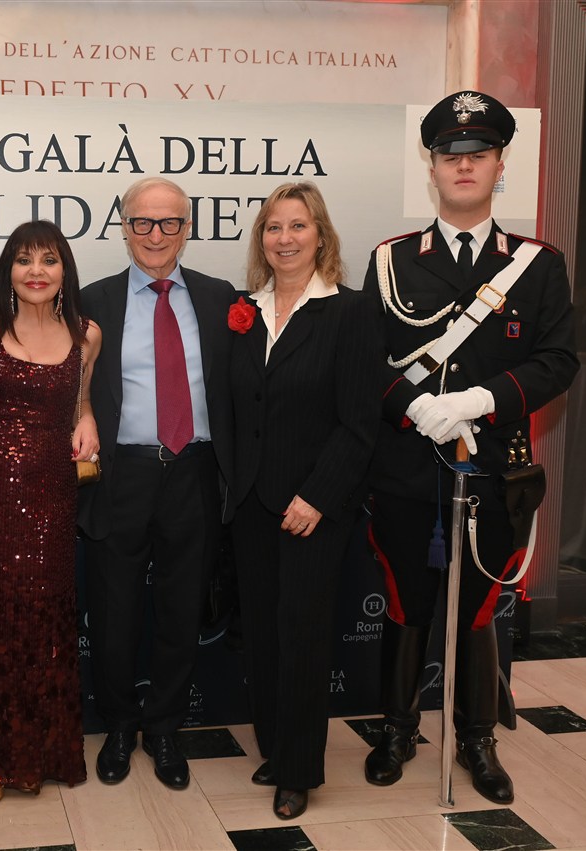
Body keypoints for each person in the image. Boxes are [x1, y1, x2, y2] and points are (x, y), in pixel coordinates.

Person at [361, 91, 579, 804]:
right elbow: (366, 362)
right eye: (450, 155)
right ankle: (396, 731)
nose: (464, 166)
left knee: (481, 607)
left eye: (478, 154)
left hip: (492, 469)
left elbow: (558, 361)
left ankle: (478, 739)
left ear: (499, 166)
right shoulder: (392, 260)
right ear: (431, 167)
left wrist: (479, 400)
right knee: (405, 602)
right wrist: (414, 405)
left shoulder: (536, 265)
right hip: (405, 467)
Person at [229, 182, 382, 819]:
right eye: (273, 227)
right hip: (251, 505)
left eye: (298, 226)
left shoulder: (350, 312)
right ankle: (275, 746)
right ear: (261, 240)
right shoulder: (244, 310)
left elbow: (359, 422)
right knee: (264, 636)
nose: (285, 238)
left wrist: (316, 497)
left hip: (314, 508)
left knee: (302, 637)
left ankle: (298, 771)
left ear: (321, 236)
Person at [80, 177, 239, 790]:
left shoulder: (220, 298)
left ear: (187, 228)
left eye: (169, 222)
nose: (155, 235)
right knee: (114, 609)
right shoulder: (91, 300)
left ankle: (166, 728)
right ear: (124, 228)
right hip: (120, 474)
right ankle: (120, 725)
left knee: (181, 609)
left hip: (195, 471)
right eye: (143, 222)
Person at [0, 220, 101, 801]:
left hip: (50, 495)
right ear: (8, 268)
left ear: (64, 271)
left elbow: (80, 399)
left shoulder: (86, 333)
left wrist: (87, 419)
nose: (36, 271)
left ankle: (35, 750)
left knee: (38, 617)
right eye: (24, 259)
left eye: (49, 260)